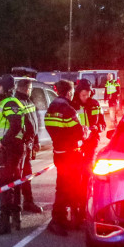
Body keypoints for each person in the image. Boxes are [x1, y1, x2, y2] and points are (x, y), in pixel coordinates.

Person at [44, 79, 85, 236]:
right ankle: (57, 221)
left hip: (59, 152)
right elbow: (79, 132)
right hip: (70, 154)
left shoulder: (51, 108)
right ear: (69, 92)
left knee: (62, 186)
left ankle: (64, 219)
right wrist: (84, 134)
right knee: (66, 188)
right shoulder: (68, 109)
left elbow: (51, 129)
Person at [0, 74, 26, 235]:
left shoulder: (10, 103)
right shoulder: (8, 102)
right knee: (14, 183)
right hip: (11, 149)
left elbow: (16, 126)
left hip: (9, 149)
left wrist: (2, 142)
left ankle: (4, 223)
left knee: (5, 185)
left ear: (5, 86)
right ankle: (15, 219)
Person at [74, 78, 105, 222]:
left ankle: (85, 206)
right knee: (76, 175)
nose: (85, 98)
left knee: (87, 173)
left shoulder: (95, 104)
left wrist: (96, 128)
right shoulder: (73, 105)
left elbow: (103, 124)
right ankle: (76, 206)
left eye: (88, 95)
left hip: (91, 142)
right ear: (78, 93)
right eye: (83, 95)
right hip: (77, 144)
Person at [16, 79, 44, 215]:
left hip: (28, 144)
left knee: (26, 174)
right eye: (30, 88)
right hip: (20, 145)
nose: (31, 90)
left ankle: (28, 202)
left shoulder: (28, 101)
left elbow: (34, 123)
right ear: (26, 88)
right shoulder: (16, 102)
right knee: (18, 176)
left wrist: (36, 140)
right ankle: (16, 206)